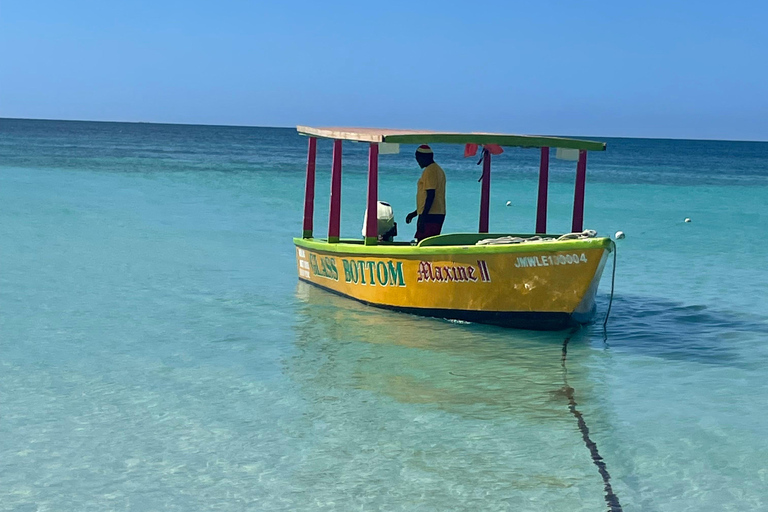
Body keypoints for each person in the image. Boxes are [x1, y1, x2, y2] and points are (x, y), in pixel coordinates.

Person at [406, 145, 446, 241]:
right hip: (436, 212)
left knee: (424, 241)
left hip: (431, 214)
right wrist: (416, 213)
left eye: (418, 158)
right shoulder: (437, 169)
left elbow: (430, 195)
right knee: (428, 240)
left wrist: (423, 217)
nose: (417, 161)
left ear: (425, 157)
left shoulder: (430, 170)